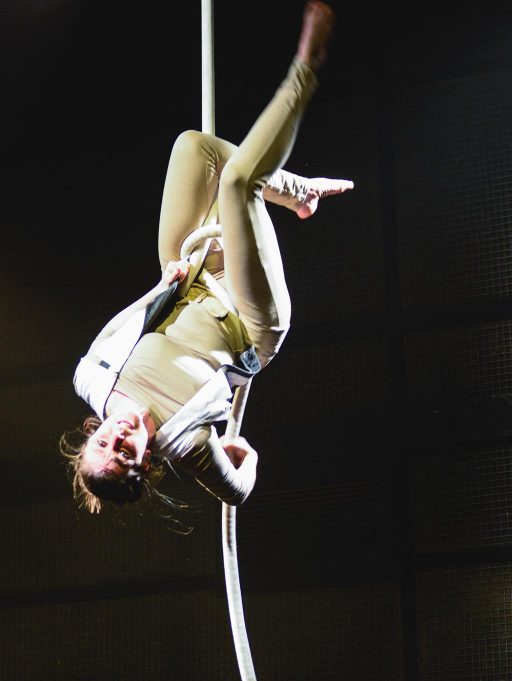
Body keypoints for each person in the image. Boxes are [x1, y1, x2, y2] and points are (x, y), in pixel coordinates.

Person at [62, 1, 353, 517]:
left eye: (104, 443)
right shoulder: (186, 444)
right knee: (239, 183)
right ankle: (306, 66)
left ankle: (298, 192)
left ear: (91, 436)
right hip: (250, 320)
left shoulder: (94, 378)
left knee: (195, 148)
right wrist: (244, 456)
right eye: (125, 453)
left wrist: (168, 282)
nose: (119, 438)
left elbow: (131, 320)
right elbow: (237, 490)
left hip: (189, 276)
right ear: (144, 462)